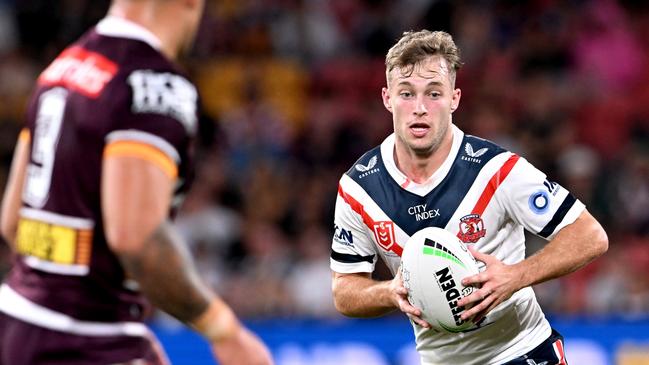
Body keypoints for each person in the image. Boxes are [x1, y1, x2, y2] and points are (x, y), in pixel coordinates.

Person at [0, 1, 273, 364]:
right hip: (85, 342)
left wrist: (123, 326)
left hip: (16, 322)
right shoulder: (154, 84)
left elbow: (13, 221)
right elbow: (136, 237)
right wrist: (224, 330)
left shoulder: (63, 67)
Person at [330, 30, 608, 365]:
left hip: (522, 352)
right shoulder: (359, 188)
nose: (420, 108)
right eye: (407, 93)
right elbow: (344, 289)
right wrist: (388, 292)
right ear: (387, 98)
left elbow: (590, 235)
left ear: (455, 98)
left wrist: (516, 275)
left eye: (434, 93)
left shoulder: (496, 169)